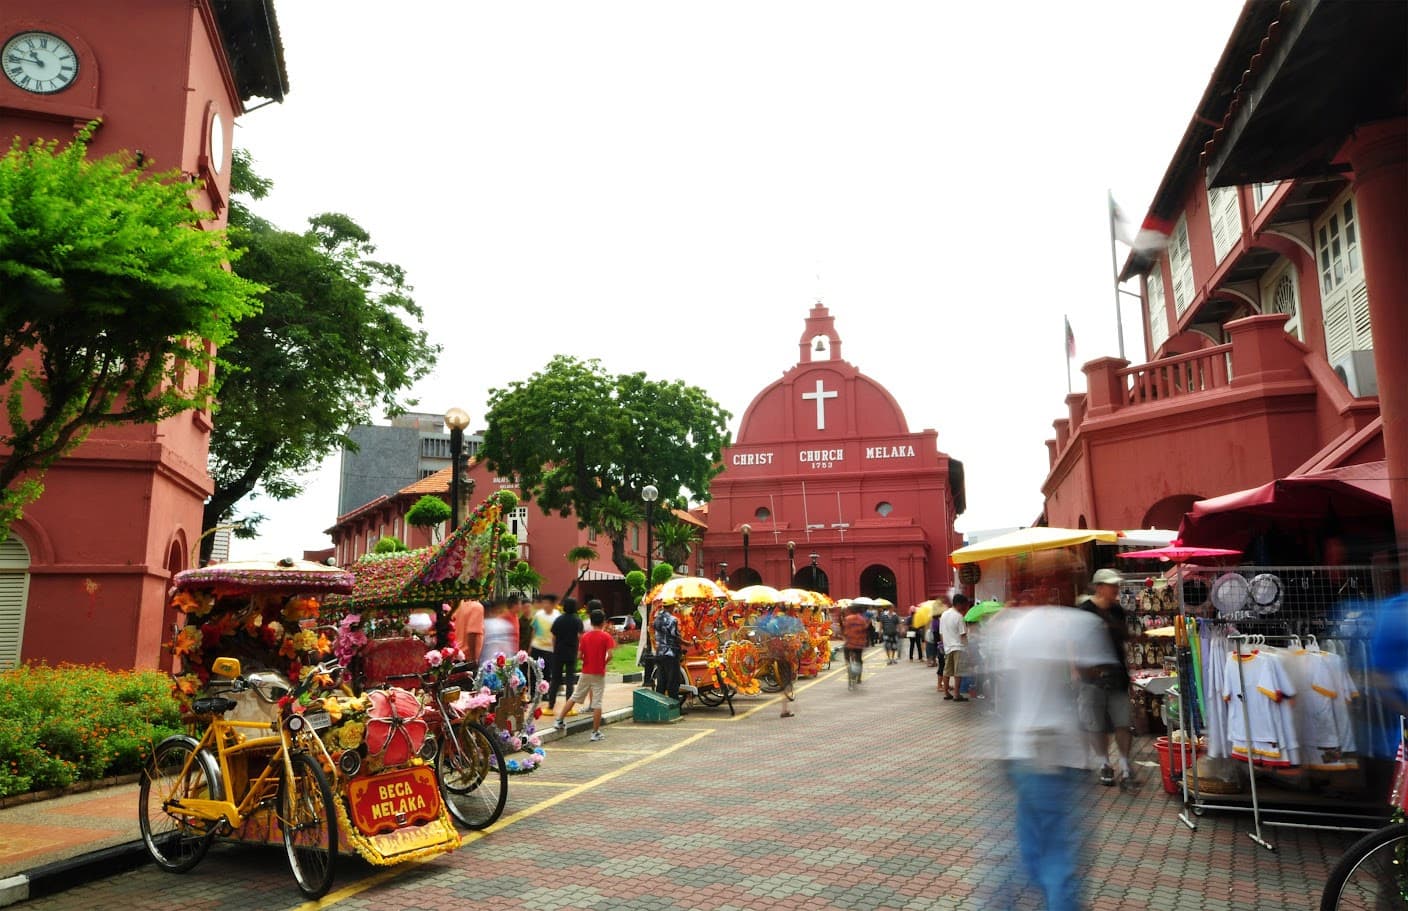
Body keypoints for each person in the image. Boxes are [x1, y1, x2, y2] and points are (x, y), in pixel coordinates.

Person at [988, 596, 1114, 911]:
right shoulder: (1077, 624)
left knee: (1027, 852)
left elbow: (1002, 687)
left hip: (1020, 752)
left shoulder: (1009, 627)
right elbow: (1093, 675)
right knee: (1059, 856)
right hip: (1060, 754)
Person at [1079, 568, 1135, 788]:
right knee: (1096, 725)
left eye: (1116, 586)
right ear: (1100, 587)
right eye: (1112, 586)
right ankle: (1104, 763)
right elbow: (1074, 644)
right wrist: (1077, 669)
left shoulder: (1118, 611)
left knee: (1123, 722)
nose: (1116, 590)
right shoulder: (1084, 611)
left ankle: (1125, 764)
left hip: (1118, 675)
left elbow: (1123, 640)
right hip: (1092, 677)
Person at [554, 607, 614, 742]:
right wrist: (603, 663)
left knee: (575, 696)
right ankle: (595, 732)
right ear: (604, 622)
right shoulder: (606, 637)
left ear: (591, 622)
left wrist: (586, 660)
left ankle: (559, 720)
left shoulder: (585, 636)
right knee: (597, 702)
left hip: (586, 671)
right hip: (599, 672)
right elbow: (610, 655)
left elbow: (580, 655)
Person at [548, 597, 583, 712]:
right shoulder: (577, 620)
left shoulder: (559, 620)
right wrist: (578, 650)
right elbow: (579, 636)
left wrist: (555, 649)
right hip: (571, 652)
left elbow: (553, 637)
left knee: (555, 679)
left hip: (558, 652)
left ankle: (550, 705)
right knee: (569, 680)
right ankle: (569, 706)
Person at [652, 600, 683, 704]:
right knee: (673, 682)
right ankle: (674, 707)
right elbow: (676, 637)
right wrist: (687, 643)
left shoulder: (656, 618)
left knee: (661, 681)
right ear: (672, 606)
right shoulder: (672, 619)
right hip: (671, 654)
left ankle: (660, 706)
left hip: (659, 653)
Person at [939, 595, 970, 701]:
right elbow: (963, 635)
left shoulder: (944, 615)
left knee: (946, 671)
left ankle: (947, 693)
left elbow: (941, 633)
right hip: (958, 647)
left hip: (947, 647)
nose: (965, 607)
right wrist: (968, 648)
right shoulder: (959, 617)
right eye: (964, 604)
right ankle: (957, 694)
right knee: (958, 672)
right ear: (960, 604)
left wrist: (945, 645)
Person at [529, 593, 560, 686]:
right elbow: (534, 630)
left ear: (553, 604)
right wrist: (530, 645)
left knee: (547, 671)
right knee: (535, 670)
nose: (545, 605)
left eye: (548, 603)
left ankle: (545, 692)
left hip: (549, 648)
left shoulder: (557, 616)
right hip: (537, 646)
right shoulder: (538, 615)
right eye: (544, 603)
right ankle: (534, 692)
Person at [479, 599, 517, 665]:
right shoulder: (505, 624)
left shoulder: (482, 625)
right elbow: (509, 649)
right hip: (503, 666)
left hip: (486, 666)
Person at [841, 604, 870, 683]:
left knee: (847, 656)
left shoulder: (848, 619)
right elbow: (865, 630)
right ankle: (859, 678)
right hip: (859, 644)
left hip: (849, 643)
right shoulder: (862, 619)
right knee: (859, 660)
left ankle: (848, 665)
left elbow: (845, 631)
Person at [451, 598, 484, 664]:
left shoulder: (460, 605)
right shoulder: (477, 607)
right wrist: (473, 659)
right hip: (467, 658)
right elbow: (472, 633)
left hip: (456, 655)